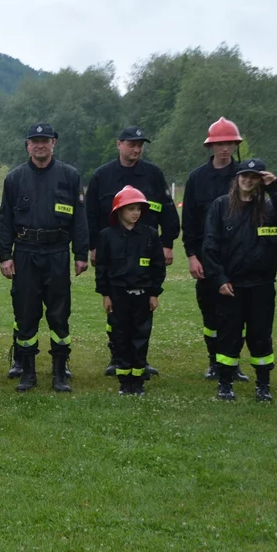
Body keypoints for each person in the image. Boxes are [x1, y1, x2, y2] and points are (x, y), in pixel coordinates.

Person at [0, 124, 89, 393]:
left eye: (45, 141)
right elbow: (5, 220)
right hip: (25, 252)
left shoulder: (69, 176)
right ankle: (28, 372)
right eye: (35, 141)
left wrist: (81, 253)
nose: (40, 145)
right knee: (26, 314)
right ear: (27, 145)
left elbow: (79, 220)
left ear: (54, 143)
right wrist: (5, 255)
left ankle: (60, 372)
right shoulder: (14, 178)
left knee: (59, 315)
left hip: (58, 252)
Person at [85, 126, 179, 378]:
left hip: (145, 251)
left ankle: (140, 358)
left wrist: (167, 242)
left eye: (140, 145)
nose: (136, 149)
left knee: (142, 308)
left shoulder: (153, 174)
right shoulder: (102, 176)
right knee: (115, 307)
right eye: (131, 144)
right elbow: (91, 214)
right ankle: (117, 356)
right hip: (112, 252)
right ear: (119, 144)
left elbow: (168, 211)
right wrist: (93, 246)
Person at [203, 158, 277, 402]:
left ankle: (263, 385)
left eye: (254, 176)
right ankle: (225, 384)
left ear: (261, 181)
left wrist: (275, 188)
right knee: (228, 336)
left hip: (262, 286)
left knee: (261, 336)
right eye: (244, 175)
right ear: (237, 178)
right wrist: (220, 279)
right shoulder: (221, 206)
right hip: (230, 286)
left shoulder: (271, 208)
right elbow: (210, 247)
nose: (248, 180)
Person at [182, 117, 248, 382]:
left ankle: (233, 363)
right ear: (211, 146)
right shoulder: (197, 178)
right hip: (207, 257)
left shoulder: (244, 176)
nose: (224, 148)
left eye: (229, 143)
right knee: (210, 313)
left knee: (238, 313)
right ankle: (214, 362)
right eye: (219, 143)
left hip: (240, 258)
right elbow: (188, 221)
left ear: (235, 145)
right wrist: (191, 256)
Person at [94, 186, 166, 396]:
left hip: (143, 295)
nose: (135, 213)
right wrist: (105, 294)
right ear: (119, 211)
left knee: (140, 336)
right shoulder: (107, 236)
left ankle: (138, 381)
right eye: (130, 209)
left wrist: (154, 293)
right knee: (121, 337)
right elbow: (102, 268)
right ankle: (125, 382)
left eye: (138, 209)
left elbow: (158, 267)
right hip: (117, 295)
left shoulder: (150, 235)